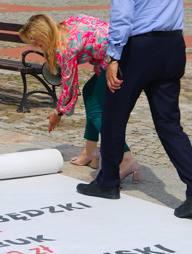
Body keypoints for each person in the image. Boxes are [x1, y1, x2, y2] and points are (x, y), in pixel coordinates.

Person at [76, 0, 192, 219]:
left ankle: (108, 182)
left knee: (112, 118)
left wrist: (113, 57)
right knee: (170, 124)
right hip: (174, 46)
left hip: (140, 49)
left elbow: (122, 11)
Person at [19, 13, 139, 181]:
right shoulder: (69, 23)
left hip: (117, 60)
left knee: (96, 110)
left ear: (43, 33)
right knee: (90, 92)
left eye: (34, 39)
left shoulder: (64, 47)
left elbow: (69, 86)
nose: (35, 45)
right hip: (122, 51)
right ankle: (90, 151)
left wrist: (59, 113)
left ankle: (127, 158)